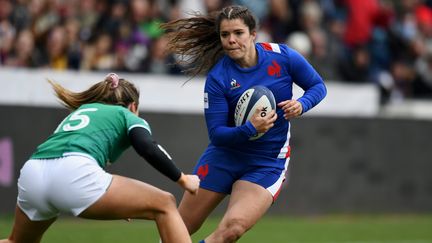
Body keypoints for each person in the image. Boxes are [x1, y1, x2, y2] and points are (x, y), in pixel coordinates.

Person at [161, 5, 327, 243]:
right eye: (225, 34)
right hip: (224, 156)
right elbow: (217, 135)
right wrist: (251, 128)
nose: (231, 40)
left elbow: (318, 87)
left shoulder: (284, 57)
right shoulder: (218, 78)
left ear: (253, 34)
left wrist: (302, 104)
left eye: (238, 33)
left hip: (266, 162)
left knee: (233, 229)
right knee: (177, 231)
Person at [0, 73, 200, 243]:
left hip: (33, 173)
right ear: (133, 105)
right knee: (165, 203)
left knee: (16, 241)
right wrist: (182, 178)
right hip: (73, 173)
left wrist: (123, 203)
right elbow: (148, 147)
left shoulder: (82, 111)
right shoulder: (126, 114)